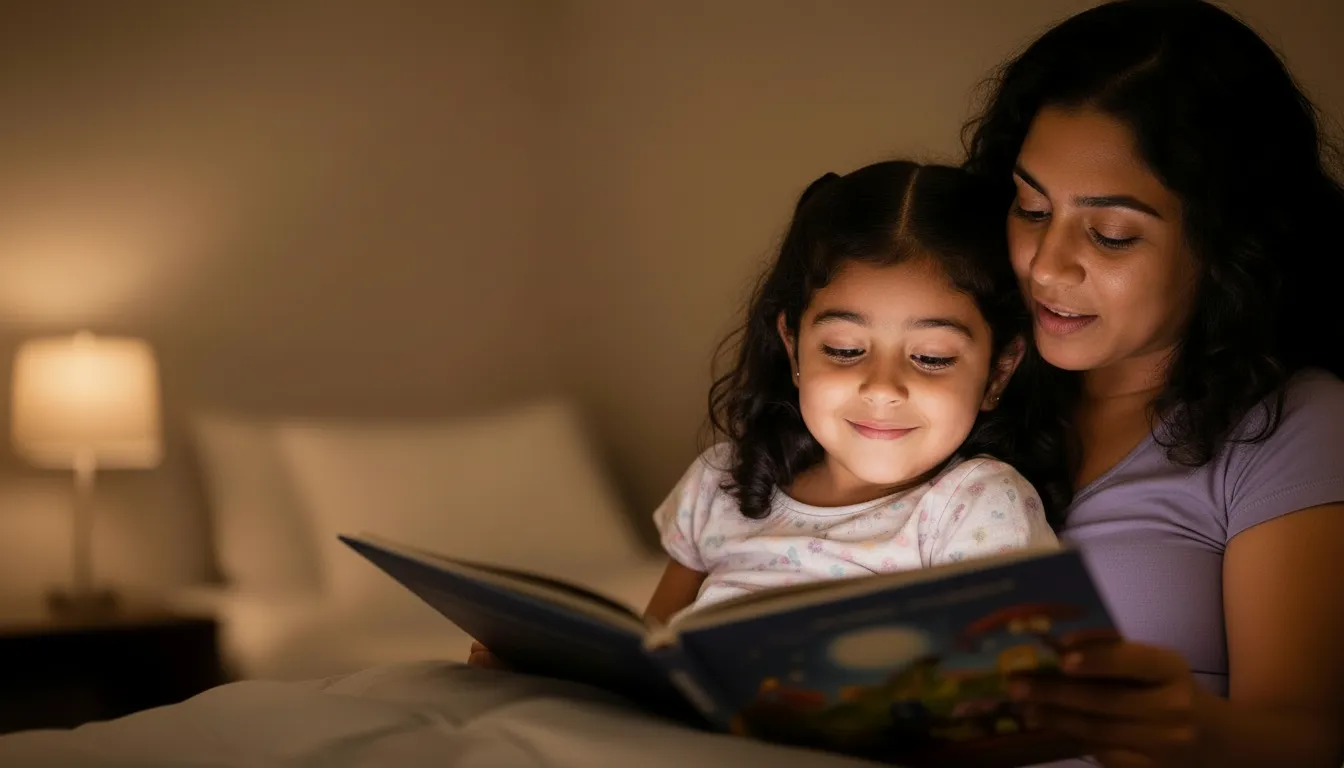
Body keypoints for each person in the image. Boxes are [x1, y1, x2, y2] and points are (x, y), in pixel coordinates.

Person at [471, 159, 1065, 665]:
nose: (883, 388)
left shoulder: (976, 506)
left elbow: (1006, 689)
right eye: (844, 350)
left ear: (998, 372)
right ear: (793, 347)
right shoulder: (722, 482)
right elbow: (647, 656)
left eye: (932, 358)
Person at [960, 1, 1344, 766]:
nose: (1046, 265)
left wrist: (1190, 731)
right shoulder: (961, 383)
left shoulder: (1294, 425)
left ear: (1223, 245)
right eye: (1031, 208)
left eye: (1110, 235)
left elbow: (1308, 738)